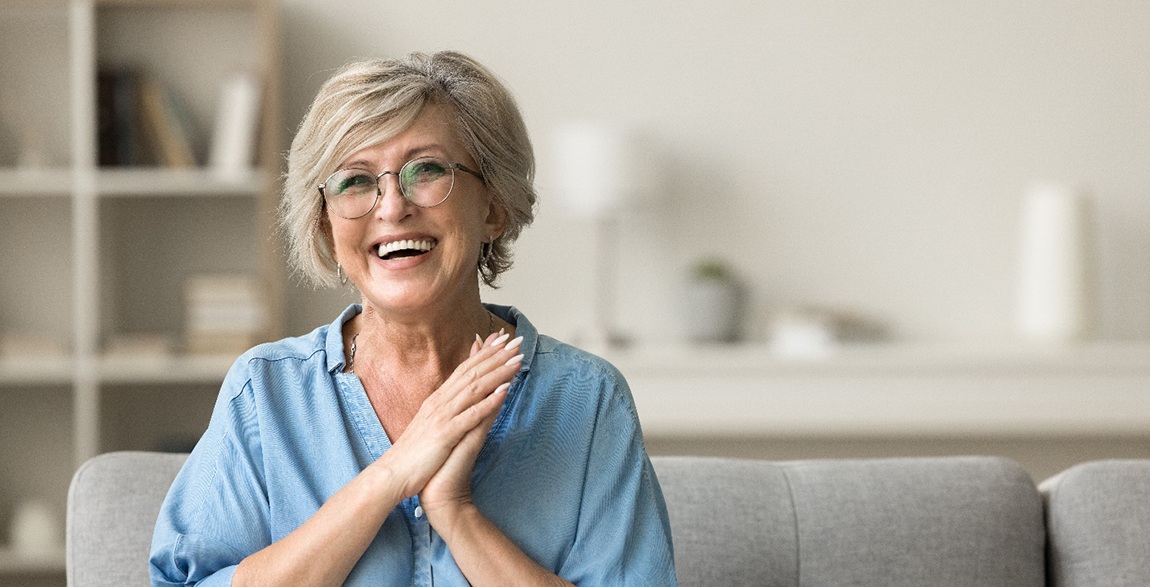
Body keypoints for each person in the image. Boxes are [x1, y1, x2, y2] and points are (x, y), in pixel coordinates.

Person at [149, 51, 677, 586]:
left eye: (426, 171)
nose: (391, 206)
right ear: (328, 227)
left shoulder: (585, 401)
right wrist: (388, 477)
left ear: (493, 207)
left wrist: (456, 512)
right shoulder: (266, 392)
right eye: (354, 181)